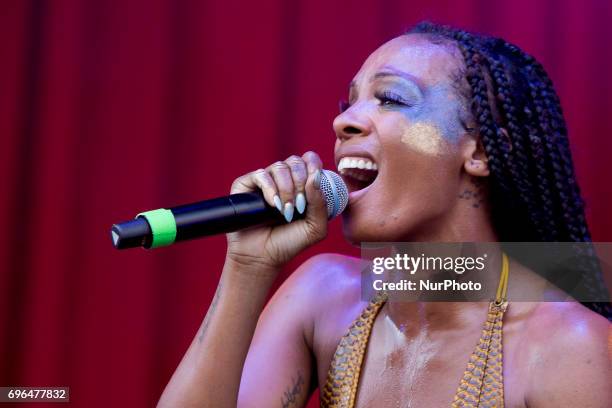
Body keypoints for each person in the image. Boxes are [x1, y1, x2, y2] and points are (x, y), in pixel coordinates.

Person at [157, 22, 611, 407]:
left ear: (482, 151)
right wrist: (247, 267)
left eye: (391, 99)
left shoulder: (567, 349)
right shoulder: (323, 299)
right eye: (347, 104)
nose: (344, 122)